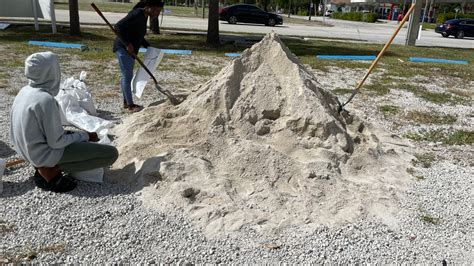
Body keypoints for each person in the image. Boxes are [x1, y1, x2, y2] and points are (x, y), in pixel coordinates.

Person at [10, 52, 119, 193]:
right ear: (50, 72)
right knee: (111, 154)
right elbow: (56, 142)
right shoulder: (45, 100)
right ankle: (49, 170)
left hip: (26, 151)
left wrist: (78, 136)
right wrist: (86, 136)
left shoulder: (24, 91)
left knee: (77, 138)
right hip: (43, 155)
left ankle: (44, 166)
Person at [113, 0, 164, 113]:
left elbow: (138, 35)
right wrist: (127, 44)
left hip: (129, 49)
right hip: (123, 48)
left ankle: (126, 102)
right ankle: (130, 106)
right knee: (127, 76)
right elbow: (118, 26)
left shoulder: (144, 16)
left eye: (159, 11)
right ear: (148, 7)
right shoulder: (137, 13)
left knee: (126, 75)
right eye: (156, 10)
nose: (157, 13)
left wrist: (149, 47)